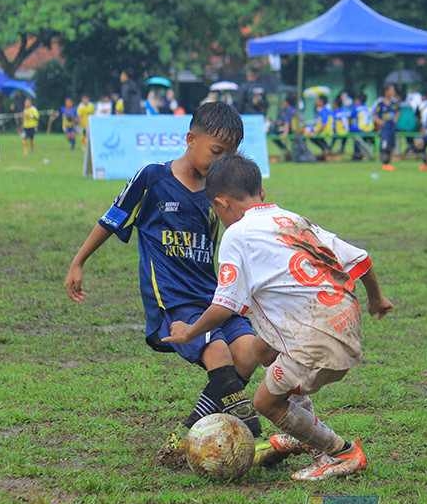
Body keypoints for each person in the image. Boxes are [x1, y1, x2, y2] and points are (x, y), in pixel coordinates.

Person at [163, 153, 394, 481]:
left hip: (318, 340)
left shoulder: (236, 235)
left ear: (221, 203)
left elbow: (224, 306)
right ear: (262, 193)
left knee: (265, 403)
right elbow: (360, 258)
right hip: (344, 323)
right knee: (263, 349)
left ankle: (340, 452)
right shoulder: (291, 219)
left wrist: (189, 332)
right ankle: (301, 431)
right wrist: (377, 298)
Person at [65, 102, 264, 452]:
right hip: (173, 300)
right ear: (190, 138)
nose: (221, 162)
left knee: (248, 353)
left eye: (228, 155)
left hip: (215, 296)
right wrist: (79, 262)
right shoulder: (153, 178)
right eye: (216, 152)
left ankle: (187, 433)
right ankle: (249, 430)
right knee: (216, 350)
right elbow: (111, 220)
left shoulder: (218, 193)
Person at [372, 84, 400, 171]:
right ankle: (385, 163)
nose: (394, 92)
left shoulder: (394, 102)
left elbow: (398, 111)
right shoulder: (380, 103)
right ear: (386, 92)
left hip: (392, 127)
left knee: (391, 145)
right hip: (384, 128)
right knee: (384, 145)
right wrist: (379, 122)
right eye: (392, 90)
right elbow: (373, 114)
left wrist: (395, 120)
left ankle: (388, 163)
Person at [305, 94, 335, 160]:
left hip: (326, 131)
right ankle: (326, 149)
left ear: (321, 102)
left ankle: (326, 149)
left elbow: (323, 125)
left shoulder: (324, 111)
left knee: (311, 137)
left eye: (318, 100)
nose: (316, 102)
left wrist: (315, 132)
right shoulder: (324, 110)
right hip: (326, 130)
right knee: (310, 134)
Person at [349, 92, 375, 161]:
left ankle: (357, 153)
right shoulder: (368, 108)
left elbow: (351, 118)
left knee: (351, 131)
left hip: (361, 129)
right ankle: (364, 153)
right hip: (370, 129)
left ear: (358, 100)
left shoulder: (356, 108)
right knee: (360, 138)